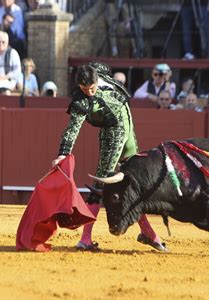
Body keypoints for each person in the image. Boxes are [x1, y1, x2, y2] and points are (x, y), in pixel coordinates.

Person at [52, 63, 167, 252]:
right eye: (84, 89)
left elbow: (102, 67)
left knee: (132, 181)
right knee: (101, 184)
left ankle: (147, 232)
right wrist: (63, 153)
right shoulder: (81, 102)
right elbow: (72, 129)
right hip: (113, 131)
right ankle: (85, 239)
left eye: (92, 88)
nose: (89, 92)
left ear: (96, 79)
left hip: (128, 125)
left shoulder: (99, 70)